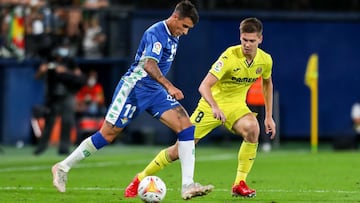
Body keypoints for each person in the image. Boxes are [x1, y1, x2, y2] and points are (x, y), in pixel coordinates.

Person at [51, 0, 213, 200]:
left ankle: (187, 185)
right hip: (134, 89)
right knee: (107, 135)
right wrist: (169, 86)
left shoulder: (174, 34)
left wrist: (162, 87)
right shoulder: (156, 33)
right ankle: (62, 167)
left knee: (186, 127)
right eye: (185, 26)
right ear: (175, 17)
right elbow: (149, 65)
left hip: (154, 91)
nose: (186, 32)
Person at [124, 17, 276, 198]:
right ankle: (138, 179)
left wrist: (268, 116)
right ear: (240, 37)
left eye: (252, 41)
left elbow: (267, 84)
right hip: (211, 106)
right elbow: (204, 86)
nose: (247, 45)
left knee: (253, 129)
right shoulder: (230, 56)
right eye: (244, 40)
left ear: (260, 39)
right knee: (178, 150)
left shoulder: (265, 60)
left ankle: (239, 184)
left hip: (236, 105)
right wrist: (214, 107)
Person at [34, 44, 86, 155]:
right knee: (49, 122)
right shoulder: (49, 60)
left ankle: (64, 148)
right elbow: (38, 76)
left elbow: (79, 77)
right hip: (53, 96)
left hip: (67, 94)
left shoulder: (70, 61)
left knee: (67, 121)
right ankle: (41, 147)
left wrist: (65, 71)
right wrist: (43, 70)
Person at [75, 69, 106, 143]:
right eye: (91, 77)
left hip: (96, 109)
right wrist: (84, 100)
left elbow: (100, 100)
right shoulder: (84, 88)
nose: (92, 79)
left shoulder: (98, 87)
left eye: (94, 77)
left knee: (94, 106)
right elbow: (78, 99)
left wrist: (91, 99)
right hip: (84, 108)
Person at [246, 76, 272, 152]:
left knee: (264, 123)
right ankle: (251, 143)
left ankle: (265, 143)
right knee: (252, 124)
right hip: (252, 103)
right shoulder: (250, 75)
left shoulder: (264, 76)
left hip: (262, 103)